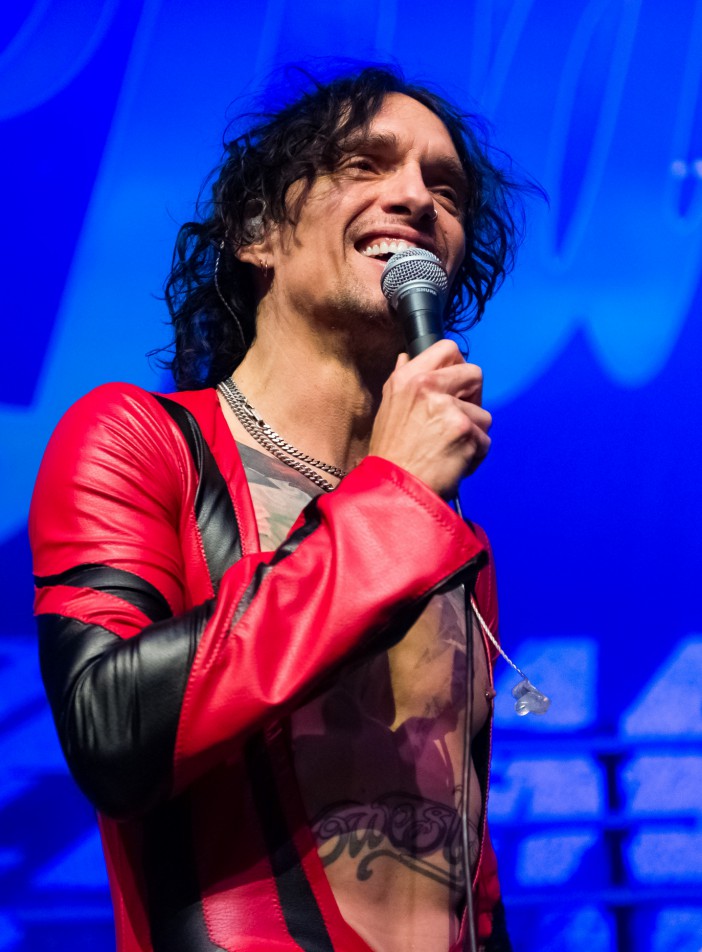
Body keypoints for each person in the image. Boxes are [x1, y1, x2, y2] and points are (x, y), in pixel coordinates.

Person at [30, 65, 527, 952]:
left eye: (442, 186)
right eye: (365, 165)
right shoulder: (137, 443)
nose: (414, 196)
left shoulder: (457, 542)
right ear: (258, 231)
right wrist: (396, 498)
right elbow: (110, 733)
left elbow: (464, 855)